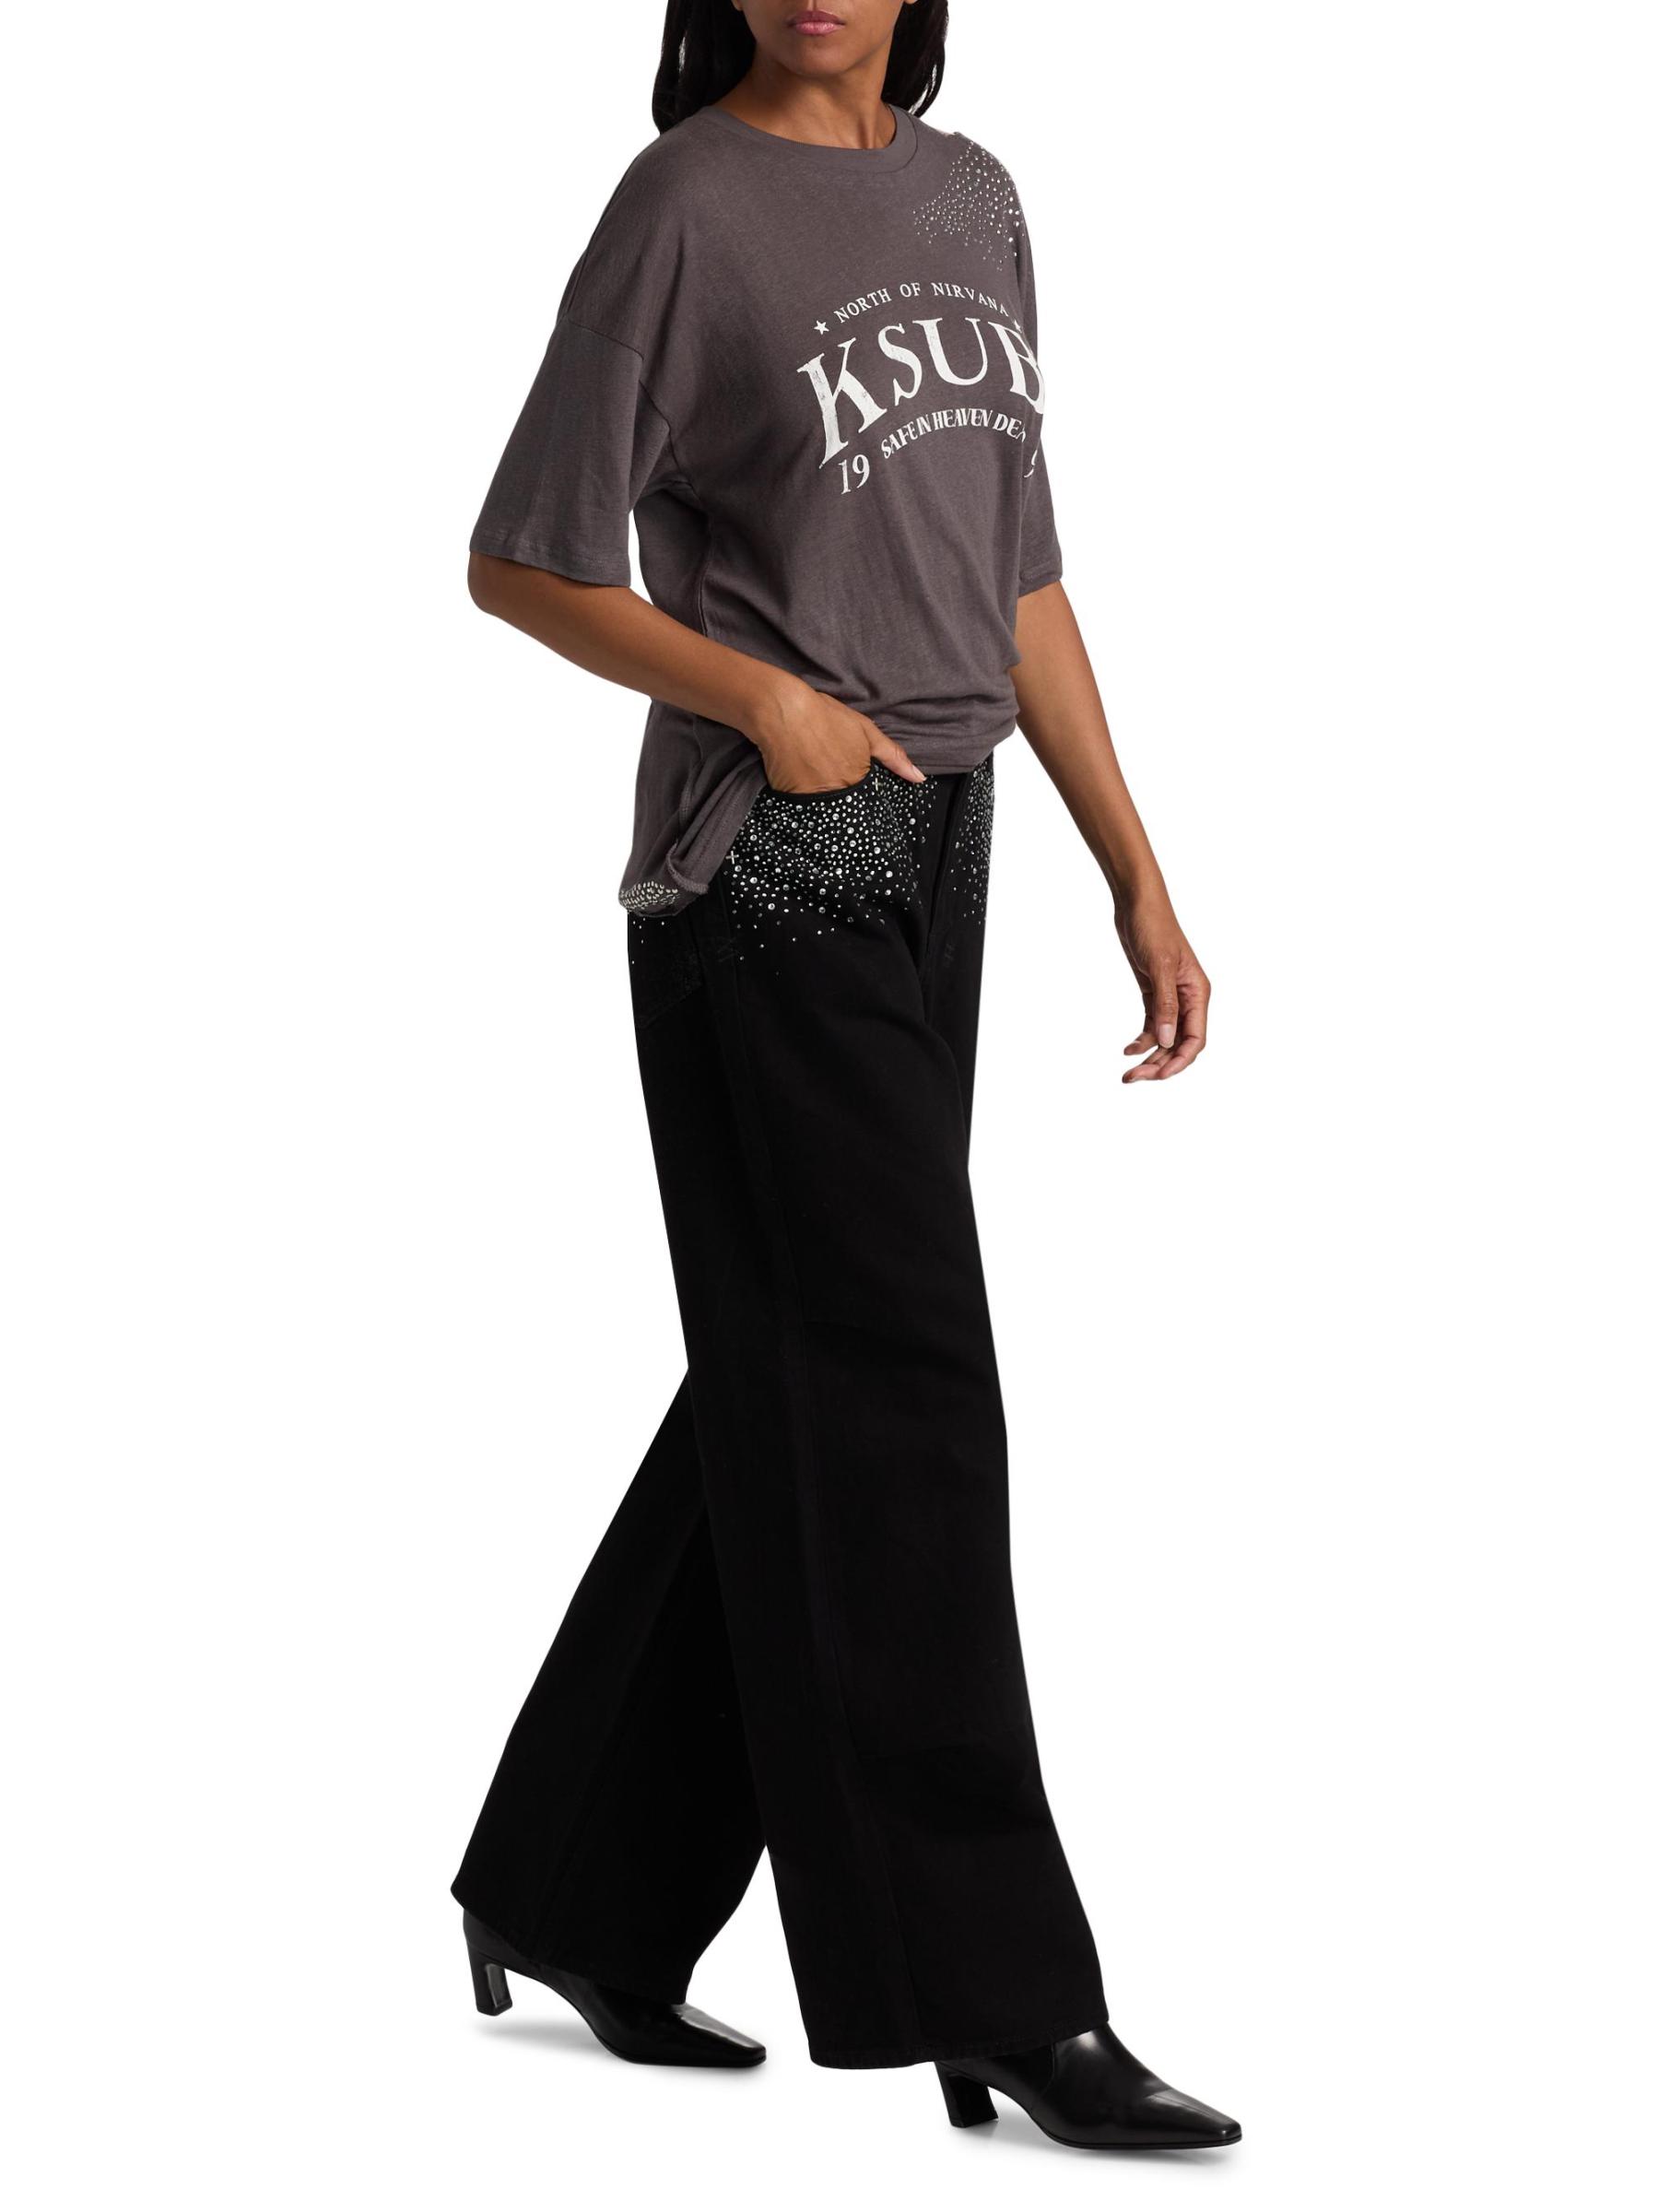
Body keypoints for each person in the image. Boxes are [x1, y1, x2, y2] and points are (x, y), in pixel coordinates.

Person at [453, 0, 1238, 2153]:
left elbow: (1021, 573)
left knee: (805, 1369)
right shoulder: (684, 207)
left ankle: (573, 1884)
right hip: (770, 861)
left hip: (945, 843)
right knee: (894, 1394)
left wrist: (1138, 870)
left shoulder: (974, 199)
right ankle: (1000, 1997)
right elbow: (521, 557)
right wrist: (762, 700)